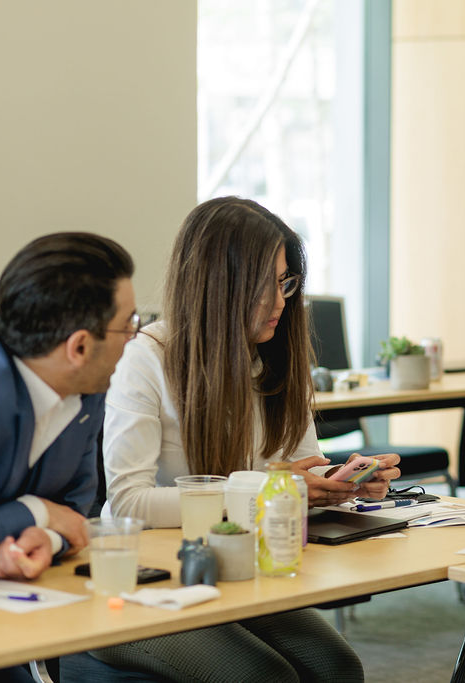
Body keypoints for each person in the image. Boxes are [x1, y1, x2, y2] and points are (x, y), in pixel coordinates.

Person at [61, 197, 397, 682]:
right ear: (218, 284)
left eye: (286, 282)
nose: (281, 301)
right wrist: (261, 490)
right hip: (145, 579)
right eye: (265, 285)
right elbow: (129, 503)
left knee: (337, 668)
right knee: (261, 677)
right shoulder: (148, 357)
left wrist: (339, 481)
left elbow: (298, 465)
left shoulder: (277, 353)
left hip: (239, 565)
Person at [0, 233, 136, 682]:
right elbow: (54, 510)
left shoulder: (87, 391)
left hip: (10, 613)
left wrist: (48, 539)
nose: (134, 339)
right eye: (130, 325)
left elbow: (76, 511)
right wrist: (32, 511)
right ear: (80, 346)